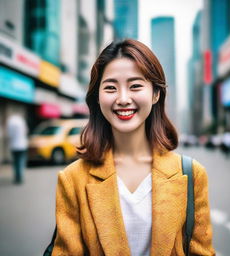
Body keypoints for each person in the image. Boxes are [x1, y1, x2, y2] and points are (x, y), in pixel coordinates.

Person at [51, 39, 215, 255]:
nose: (123, 98)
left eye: (135, 86)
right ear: (98, 98)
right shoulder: (72, 179)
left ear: (156, 94)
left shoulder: (191, 174)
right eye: (110, 88)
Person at [6, 113, 28, 184]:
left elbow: (9, 134)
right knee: (21, 161)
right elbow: (26, 131)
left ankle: (16, 177)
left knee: (15, 162)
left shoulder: (10, 122)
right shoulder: (21, 121)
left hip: (14, 146)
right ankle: (20, 177)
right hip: (22, 145)